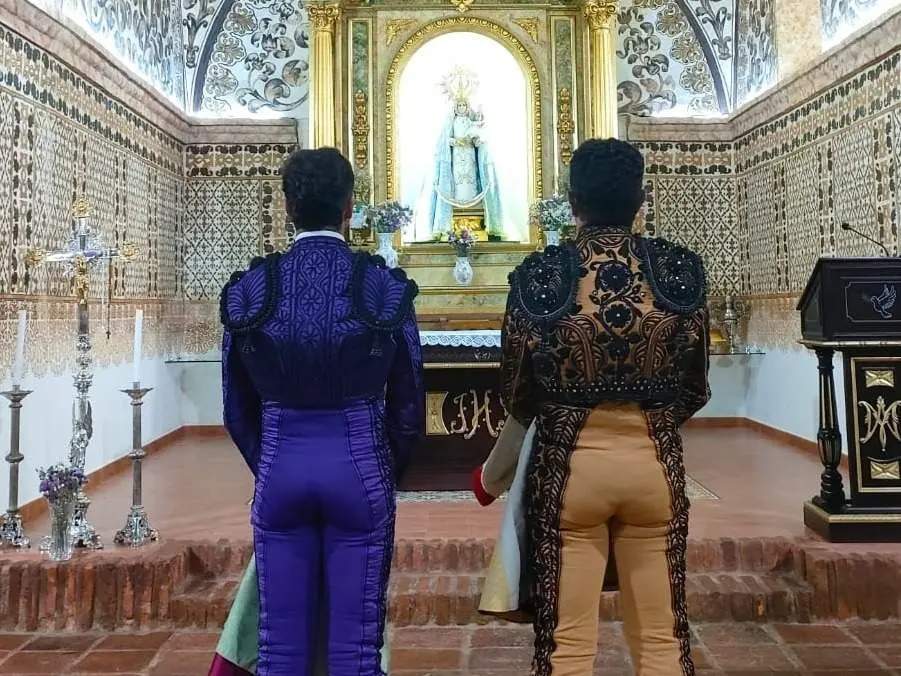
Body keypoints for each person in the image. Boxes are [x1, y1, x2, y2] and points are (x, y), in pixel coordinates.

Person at [483, 138, 710, 676]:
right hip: (654, 464)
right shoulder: (677, 272)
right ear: (641, 199)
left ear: (571, 200)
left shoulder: (542, 276)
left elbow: (517, 391)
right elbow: (696, 387)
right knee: (661, 638)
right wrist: (647, 419)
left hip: (569, 469)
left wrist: (502, 467)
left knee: (567, 645)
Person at [214, 147, 424, 676]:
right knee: (355, 647)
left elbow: (236, 406)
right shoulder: (383, 287)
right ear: (350, 206)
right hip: (357, 461)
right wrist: (383, 467)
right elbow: (409, 403)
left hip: (282, 462)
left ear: (288, 207)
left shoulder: (252, 288)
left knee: (279, 646)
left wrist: (269, 463)